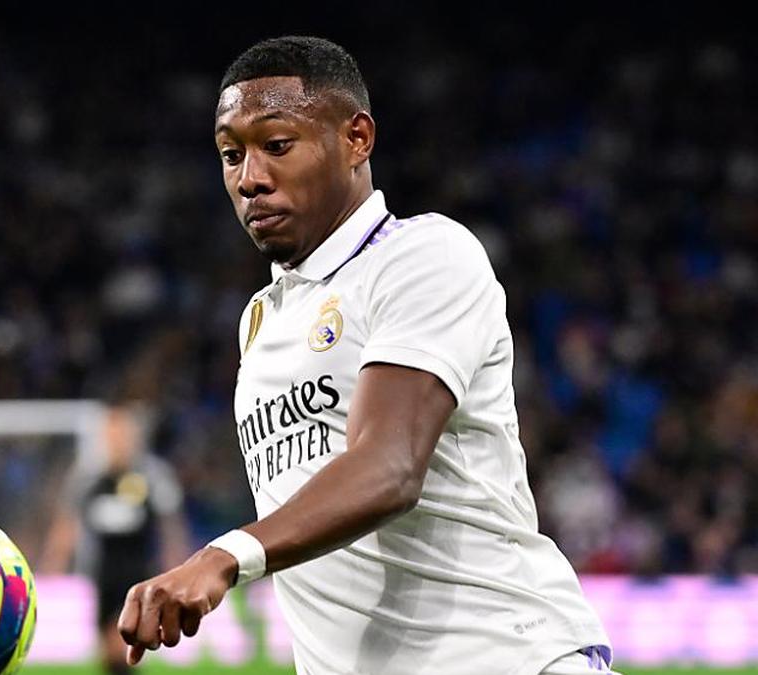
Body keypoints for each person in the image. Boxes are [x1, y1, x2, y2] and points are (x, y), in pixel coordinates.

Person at [116, 36, 615, 675]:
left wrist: (222, 556)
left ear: (356, 138)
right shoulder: (261, 319)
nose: (249, 178)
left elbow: (390, 466)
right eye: (230, 154)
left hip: (501, 654)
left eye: (276, 145)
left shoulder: (422, 256)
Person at [41, 403, 189, 675]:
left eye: (122, 434)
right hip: (102, 576)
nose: (117, 441)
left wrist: (178, 566)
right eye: (112, 435)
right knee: (107, 654)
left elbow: (170, 525)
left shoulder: (151, 477)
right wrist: (54, 564)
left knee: (120, 643)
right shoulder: (88, 479)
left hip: (139, 577)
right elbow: (67, 525)